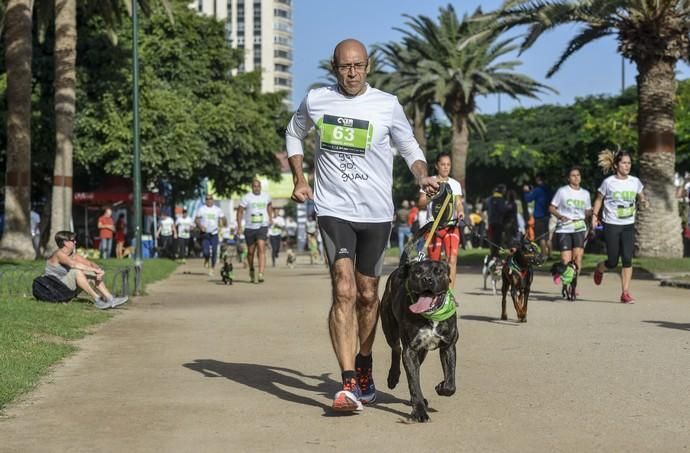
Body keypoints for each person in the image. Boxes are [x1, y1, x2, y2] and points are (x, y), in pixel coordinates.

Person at [285, 38, 438, 412]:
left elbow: (410, 148)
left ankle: (365, 363)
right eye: (344, 67)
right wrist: (299, 179)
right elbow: (293, 132)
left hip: (376, 214)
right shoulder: (317, 100)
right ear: (333, 68)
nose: (351, 73)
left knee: (369, 295)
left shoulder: (386, 105)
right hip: (333, 209)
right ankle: (348, 382)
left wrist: (422, 176)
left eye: (358, 66)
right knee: (344, 288)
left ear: (367, 67)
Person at [591, 150, 648, 303]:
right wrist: (595, 217)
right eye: (623, 163)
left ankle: (625, 293)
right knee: (612, 262)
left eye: (629, 163)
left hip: (628, 225)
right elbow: (598, 200)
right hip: (612, 224)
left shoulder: (635, 181)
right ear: (616, 165)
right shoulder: (608, 182)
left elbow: (641, 195)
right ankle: (600, 268)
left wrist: (643, 201)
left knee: (628, 259)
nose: (627, 166)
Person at [45, 230, 128, 309]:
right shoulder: (58, 254)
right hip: (55, 289)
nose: (75, 242)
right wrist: (95, 270)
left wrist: (98, 271)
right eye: (73, 240)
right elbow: (74, 264)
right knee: (76, 271)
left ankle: (110, 299)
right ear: (65, 242)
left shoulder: (72, 255)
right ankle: (98, 300)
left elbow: (89, 263)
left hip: (65, 288)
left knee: (89, 272)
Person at [417, 152, 464, 287]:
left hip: (451, 227)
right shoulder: (429, 181)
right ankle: (434, 292)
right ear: (437, 166)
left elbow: (458, 203)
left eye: (448, 165)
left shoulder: (455, 184)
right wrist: (431, 195)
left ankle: (449, 294)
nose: (446, 167)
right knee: (433, 262)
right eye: (443, 164)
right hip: (433, 228)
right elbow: (420, 203)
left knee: (452, 260)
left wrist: (460, 212)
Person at [549, 166, 592, 292]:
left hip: (579, 227)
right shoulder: (562, 191)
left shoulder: (585, 194)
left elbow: (587, 210)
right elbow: (551, 207)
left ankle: (573, 285)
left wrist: (591, 213)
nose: (576, 177)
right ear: (568, 178)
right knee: (565, 259)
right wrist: (560, 216)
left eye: (578, 175)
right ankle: (564, 282)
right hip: (564, 228)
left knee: (578, 258)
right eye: (573, 175)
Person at [237, 179, 272, 283]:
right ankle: (251, 269)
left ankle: (261, 274)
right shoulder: (246, 197)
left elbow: (269, 205)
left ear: (261, 187)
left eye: (258, 186)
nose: (256, 188)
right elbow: (239, 212)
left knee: (261, 247)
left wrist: (270, 217)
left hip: (262, 226)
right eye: (254, 186)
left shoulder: (266, 196)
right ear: (252, 187)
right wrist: (239, 226)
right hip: (249, 227)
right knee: (251, 252)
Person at [195, 195, 226, 276]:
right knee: (206, 252)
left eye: (210, 199)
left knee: (215, 251)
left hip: (214, 234)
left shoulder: (217, 209)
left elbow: (223, 218)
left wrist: (224, 221)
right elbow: (196, 219)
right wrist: (200, 226)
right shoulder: (202, 209)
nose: (209, 200)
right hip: (205, 234)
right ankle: (206, 258)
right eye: (207, 199)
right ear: (205, 200)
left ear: (213, 200)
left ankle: (212, 268)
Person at [523, 173, 552, 259]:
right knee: (547, 236)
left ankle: (544, 255)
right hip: (547, 214)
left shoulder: (538, 189)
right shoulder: (549, 189)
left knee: (541, 237)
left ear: (538, 179)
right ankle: (550, 254)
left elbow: (528, 199)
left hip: (539, 215)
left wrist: (526, 191)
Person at [486, 185, 507, 257]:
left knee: (492, 238)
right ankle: (496, 253)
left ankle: (492, 253)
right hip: (498, 222)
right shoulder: (501, 199)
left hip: (491, 221)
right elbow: (502, 210)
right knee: (498, 238)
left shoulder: (490, 199)